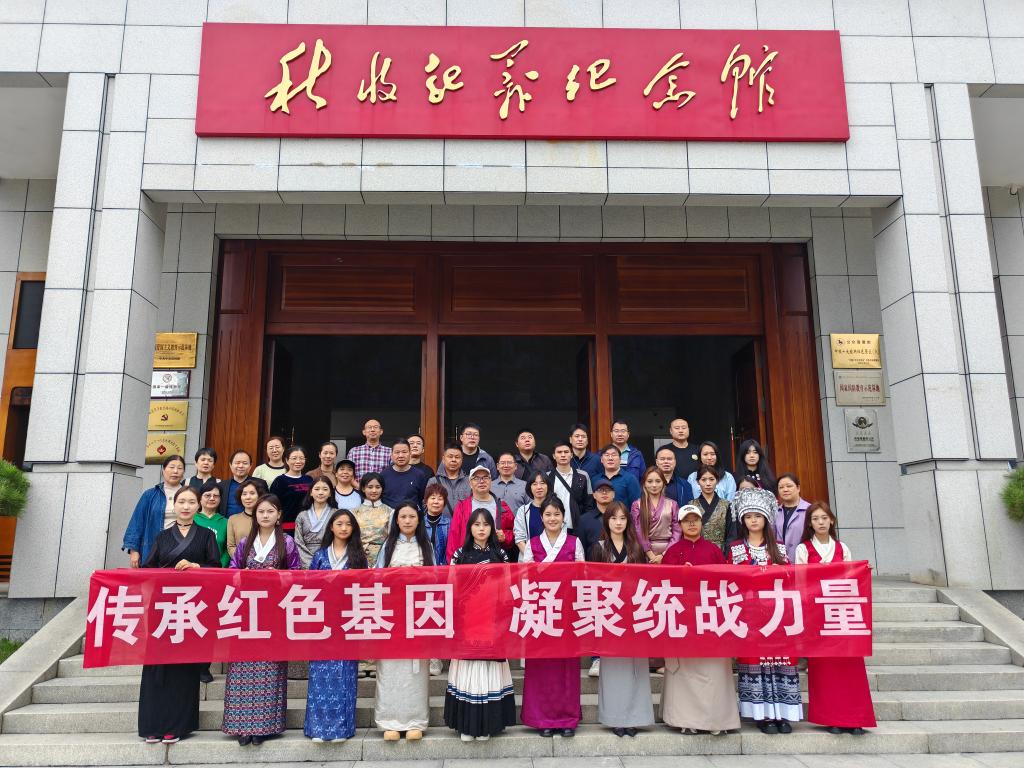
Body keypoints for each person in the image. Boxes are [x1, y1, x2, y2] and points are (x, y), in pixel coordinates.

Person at [136, 486, 220, 745]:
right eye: (181, 501)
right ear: (174, 504)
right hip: (163, 607)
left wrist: (197, 567)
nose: (186, 506)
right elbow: (148, 568)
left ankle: (178, 725)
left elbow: (216, 568)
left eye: (191, 502)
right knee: (157, 666)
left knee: (185, 666)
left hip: (193, 608)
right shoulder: (162, 536)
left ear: (198, 506)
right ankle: (153, 724)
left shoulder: (206, 535)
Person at [223, 494, 300, 745]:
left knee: (271, 668)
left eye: (270, 511)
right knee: (242, 668)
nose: (265, 515)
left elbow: (297, 574)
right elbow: (232, 572)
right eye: (261, 512)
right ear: (255, 516)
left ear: (279, 516)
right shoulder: (245, 543)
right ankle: (242, 726)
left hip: (273, 613)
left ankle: (265, 725)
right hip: (246, 612)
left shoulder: (287, 543)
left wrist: (279, 575)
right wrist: (242, 575)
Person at [796, 502, 875, 735]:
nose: (820, 522)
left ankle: (855, 718)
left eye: (824, 518)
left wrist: (863, 571)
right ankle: (832, 717)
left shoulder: (842, 548)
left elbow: (852, 578)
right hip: (818, 615)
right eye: (815, 519)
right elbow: (800, 582)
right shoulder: (803, 549)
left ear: (831, 520)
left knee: (850, 667)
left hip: (843, 615)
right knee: (824, 669)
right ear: (809, 524)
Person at [660, 505, 740, 736]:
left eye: (695, 520)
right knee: (684, 672)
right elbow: (662, 585)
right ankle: (686, 719)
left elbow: (726, 583)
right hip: (682, 618)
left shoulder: (714, 551)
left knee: (714, 670)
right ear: (680, 525)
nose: (692, 524)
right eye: (687, 520)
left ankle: (717, 720)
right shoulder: (672, 552)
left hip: (710, 619)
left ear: (701, 523)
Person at [727, 488, 801, 735]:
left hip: (777, 614)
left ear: (766, 518)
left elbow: (789, 579)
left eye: (758, 516)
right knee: (756, 662)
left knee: (779, 661)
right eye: (748, 516)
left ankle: (783, 713)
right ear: (743, 520)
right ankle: (763, 714)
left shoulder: (778, 548)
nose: (753, 520)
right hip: (750, 616)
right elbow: (730, 583)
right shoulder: (735, 548)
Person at [444, 509, 517, 742]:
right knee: (468, 667)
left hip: (493, 620)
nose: (482, 528)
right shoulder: (460, 554)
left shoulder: (501, 555)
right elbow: (451, 586)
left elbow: (508, 588)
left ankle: (488, 725)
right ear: (470, 528)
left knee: (489, 668)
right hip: (467, 620)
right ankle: (466, 725)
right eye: (476, 524)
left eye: (486, 524)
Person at [520, 498, 584, 737]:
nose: (552, 519)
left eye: (557, 514)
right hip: (541, 612)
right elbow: (525, 578)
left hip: (567, 612)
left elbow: (582, 576)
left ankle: (567, 719)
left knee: (567, 666)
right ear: (542, 517)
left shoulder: (574, 542)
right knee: (542, 667)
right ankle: (542, 718)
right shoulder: (533, 544)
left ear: (563, 516)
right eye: (548, 514)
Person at [304, 508, 369, 742]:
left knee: (344, 676)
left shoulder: (358, 556)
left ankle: (341, 728)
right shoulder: (320, 556)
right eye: (339, 523)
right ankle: (317, 729)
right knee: (319, 677)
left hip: (348, 622)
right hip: (322, 623)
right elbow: (309, 587)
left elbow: (366, 588)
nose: (343, 528)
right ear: (331, 527)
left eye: (348, 524)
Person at [590, 501, 654, 738]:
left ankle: (635, 717)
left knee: (636, 667)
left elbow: (644, 580)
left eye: (622, 518)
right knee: (613, 668)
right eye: (613, 518)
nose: (618, 523)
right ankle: (615, 718)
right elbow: (592, 581)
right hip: (609, 613)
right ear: (606, 521)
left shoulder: (635, 547)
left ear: (628, 521)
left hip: (633, 612)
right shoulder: (598, 548)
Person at [374, 503, 435, 741]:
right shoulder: (387, 546)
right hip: (392, 613)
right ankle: (388, 721)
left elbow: (435, 579)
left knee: (416, 669)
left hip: (419, 614)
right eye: (403, 517)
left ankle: (415, 721)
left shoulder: (426, 545)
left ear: (418, 520)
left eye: (412, 516)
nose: (408, 521)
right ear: (396, 520)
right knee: (389, 668)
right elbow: (376, 578)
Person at [123, 454, 187, 567]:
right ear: (163, 470)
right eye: (172, 467)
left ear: (183, 472)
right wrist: (134, 550)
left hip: (182, 547)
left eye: (180, 468)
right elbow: (137, 522)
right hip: (154, 547)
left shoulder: (189, 494)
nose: (175, 471)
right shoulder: (150, 495)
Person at [447, 465, 515, 561]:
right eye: (476, 478)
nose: (481, 481)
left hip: (495, 560)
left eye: (485, 477)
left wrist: (505, 537)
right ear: (470, 483)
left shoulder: (502, 506)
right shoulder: (462, 507)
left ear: (490, 481)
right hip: (467, 560)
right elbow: (454, 537)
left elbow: (514, 533)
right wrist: (453, 563)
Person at [631, 466, 681, 564]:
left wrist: (664, 555)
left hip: (669, 551)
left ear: (663, 483)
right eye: (650, 481)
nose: (654, 485)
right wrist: (650, 555)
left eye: (658, 481)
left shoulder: (672, 504)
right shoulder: (637, 505)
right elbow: (638, 531)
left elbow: (677, 532)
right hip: (645, 552)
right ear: (644, 484)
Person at [547, 440, 594, 531]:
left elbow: (589, 503)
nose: (563, 455)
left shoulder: (583, 476)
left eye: (566, 452)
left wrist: (585, 523)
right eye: (559, 452)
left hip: (577, 526)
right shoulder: (547, 477)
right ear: (554, 456)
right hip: (553, 526)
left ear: (571, 455)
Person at [293, 476, 339, 567]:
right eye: (317, 489)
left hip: (330, 560)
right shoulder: (302, 516)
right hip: (305, 561)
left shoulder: (336, 514)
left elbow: (339, 540)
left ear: (330, 493)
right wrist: (310, 563)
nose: (320, 492)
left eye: (325, 489)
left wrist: (325, 562)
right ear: (311, 492)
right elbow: (298, 542)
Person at [351, 472, 394, 565]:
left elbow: (392, 538)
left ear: (382, 489)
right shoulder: (354, 512)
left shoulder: (390, 512)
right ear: (363, 488)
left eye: (378, 487)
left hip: (382, 556)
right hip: (359, 555)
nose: (374, 490)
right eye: (370, 487)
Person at [268, 445, 313, 527]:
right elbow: (272, 504)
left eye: (301, 458)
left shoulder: (309, 479)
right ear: (287, 460)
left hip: (307, 525)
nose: (298, 461)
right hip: (286, 525)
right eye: (294, 458)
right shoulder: (280, 481)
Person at [692, 465, 733, 552]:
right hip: (698, 551)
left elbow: (731, 534)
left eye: (711, 479)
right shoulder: (692, 505)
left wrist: (726, 554)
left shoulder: (726, 505)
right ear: (698, 482)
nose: (708, 483)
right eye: (703, 480)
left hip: (720, 551)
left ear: (717, 481)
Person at [513, 471, 554, 555]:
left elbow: (562, 535)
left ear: (548, 486)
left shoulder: (556, 509)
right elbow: (519, 539)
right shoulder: (523, 511)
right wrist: (531, 558)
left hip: (553, 558)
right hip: (529, 558)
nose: (539, 487)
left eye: (542, 483)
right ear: (530, 488)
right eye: (534, 484)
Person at [380, 438, 428, 510]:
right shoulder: (383, 475)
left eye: (404, 452)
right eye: (397, 452)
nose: (401, 455)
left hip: (411, 515)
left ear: (410, 453)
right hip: (388, 515)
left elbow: (422, 499)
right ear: (391, 455)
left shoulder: (419, 475)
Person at [425, 441, 471, 514]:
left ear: (462, 460)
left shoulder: (469, 481)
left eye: (457, 457)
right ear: (443, 459)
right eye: (450, 456)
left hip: (464, 521)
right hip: (440, 521)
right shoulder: (434, 481)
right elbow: (426, 506)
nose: (453, 460)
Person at [226, 478, 267, 558]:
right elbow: (231, 546)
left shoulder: (266, 518)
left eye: (252, 493)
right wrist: (244, 559)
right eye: (244, 494)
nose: (248, 497)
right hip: (241, 562)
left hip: (265, 562)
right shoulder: (233, 519)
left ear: (259, 496)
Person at [775, 473, 811, 563]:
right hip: (780, 563)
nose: (785, 490)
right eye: (781, 487)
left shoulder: (809, 510)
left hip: (803, 561)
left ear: (798, 488)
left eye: (789, 486)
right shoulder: (775, 512)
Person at [194, 479, 229, 567]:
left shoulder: (226, 522)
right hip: (193, 568)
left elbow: (227, 549)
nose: (212, 498)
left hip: (217, 570)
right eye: (207, 495)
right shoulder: (192, 519)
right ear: (200, 498)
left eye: (216, 496)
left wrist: (220, 567)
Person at [596, 444, 641, 508]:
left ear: (620, 459)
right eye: (607, 455)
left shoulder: (630, 479)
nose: (610, 458)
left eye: (614, 455)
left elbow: (637, 506)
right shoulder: (595, 479)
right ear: (601, 459)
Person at [422, 483, 452, 568]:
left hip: (444, 569)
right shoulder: (419, 523)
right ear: (426, 501)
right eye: (433, 498)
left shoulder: (450, 523)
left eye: (440, 498)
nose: (436, 502)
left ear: (444, 503)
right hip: (422, 569)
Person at [217, 450, 251, 518]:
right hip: (226, 523)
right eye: (237, 463)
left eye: (245, 463)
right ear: (230, 465)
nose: (241, 466)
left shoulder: (260, 484)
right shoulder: (221, 485)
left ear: (250, 466)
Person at [666, 418, 699, 482]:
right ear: (671, 431)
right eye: (677, 428)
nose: (681, 430)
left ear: (688, 430)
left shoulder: (698, 449)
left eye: (684, 428)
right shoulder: (665, 450)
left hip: (695, 485)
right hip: (673, 485)